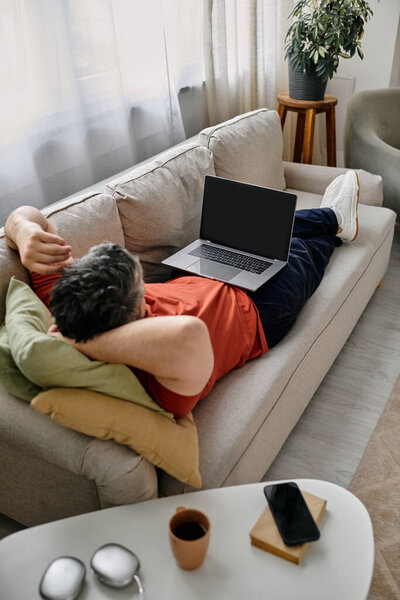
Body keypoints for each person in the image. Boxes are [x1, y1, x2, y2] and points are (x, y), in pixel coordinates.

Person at [4, 171, 359, 418]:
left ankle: (325, 215)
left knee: (271, 232)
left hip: (198, 276)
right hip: (258, 311)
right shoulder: (165, 371)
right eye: (142, 282)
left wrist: (25, 233)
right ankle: (336, 221)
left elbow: (24, 213)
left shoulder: (65, 299)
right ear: (138, 301)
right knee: (301, 249)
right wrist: (80, 343)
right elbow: (191, 333)